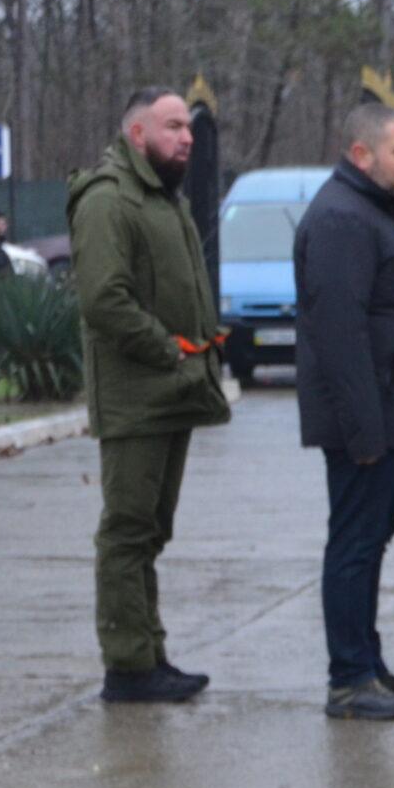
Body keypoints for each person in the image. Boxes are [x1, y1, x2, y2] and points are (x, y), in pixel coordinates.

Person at [68, 87, 232, 704]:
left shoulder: (161, 196)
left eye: (188, 128)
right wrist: (169, 351)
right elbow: (103, 300)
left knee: (150, 531)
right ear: (137, 135)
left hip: (172, 392)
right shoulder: (109, 198)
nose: (186, 137)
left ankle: (149, 653)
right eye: (172, 127)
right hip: (139, 396)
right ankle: (128, 667)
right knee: (127, 532)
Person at [295, 102, 394, 721]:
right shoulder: (341, 220)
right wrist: (365, 433)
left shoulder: (369, 209)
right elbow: (340, 335)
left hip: (384, 419)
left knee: (371, 539)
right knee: (355, 543)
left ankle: (368, 662)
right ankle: (348, 678)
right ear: (363, 155)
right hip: (366, 424)